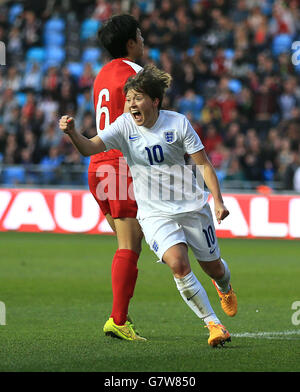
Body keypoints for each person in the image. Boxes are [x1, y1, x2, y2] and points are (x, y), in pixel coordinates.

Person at [59, 64, 238, 347]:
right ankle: (214, 325)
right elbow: (91, 147)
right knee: (178, 264)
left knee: (214, 268)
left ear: (154, 101)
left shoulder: (178, 123)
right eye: (129, 98)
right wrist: (72, 133)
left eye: (137, 98)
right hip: (154, 213)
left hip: (192, 208)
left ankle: (224, 286)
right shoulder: (124, 125)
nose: (131, 104)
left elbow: (202, 163)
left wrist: (217, 200)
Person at [87, 14, 146, 341]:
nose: (143, 40)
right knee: (129, 244)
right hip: (120, 165)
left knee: (131, 242)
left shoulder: (100, 75)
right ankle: (118, 319)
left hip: (97, 166)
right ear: (130, 43)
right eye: (139, 35)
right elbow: (144, 119)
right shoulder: (136, 73)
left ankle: (122, 312)